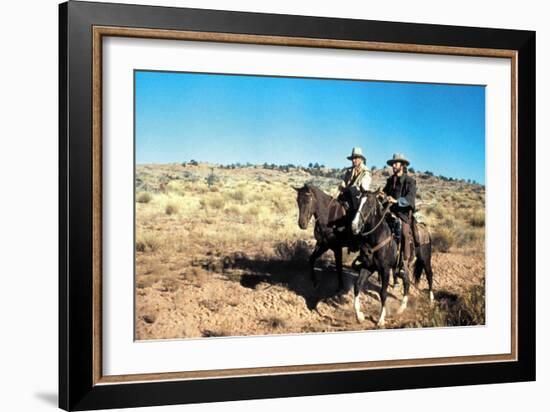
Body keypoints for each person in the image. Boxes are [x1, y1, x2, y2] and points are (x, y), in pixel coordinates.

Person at [381, 153, 417, 264]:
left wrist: (396, 201)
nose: (393, 166)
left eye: (396, 163)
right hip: (390, 211)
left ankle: (404, 261)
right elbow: (385, 192)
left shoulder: (410, 181)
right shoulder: (390, 180)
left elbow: (410, 198)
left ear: (402, 165)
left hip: (403, 214)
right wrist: (382, 195)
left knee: (404, 233)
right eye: (393, 164)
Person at [337, 147, 371, 212]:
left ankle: (354, 212)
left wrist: (348, 189)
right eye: (352, 158)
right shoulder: (349, 171)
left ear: (360, 159)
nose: (353, 160)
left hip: (359, 198)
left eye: (355, 158)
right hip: (347, 195)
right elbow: (344, 182)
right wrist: (342, 187)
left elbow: (363, 188)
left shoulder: (366, 172)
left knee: (352, 190)